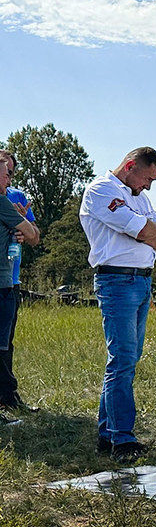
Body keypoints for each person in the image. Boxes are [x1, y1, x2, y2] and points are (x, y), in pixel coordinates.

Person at [79, 147, 156, 461]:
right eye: (147, 177)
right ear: (131, 166)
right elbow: (147, 230)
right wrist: (146, 232)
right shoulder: (100, 191)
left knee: (127, 360)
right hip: (117, 282)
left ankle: (108, 435)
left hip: (142, 281)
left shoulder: (139, 198)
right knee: (121, 361)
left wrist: (144, 233)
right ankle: (123, 440)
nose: (148, 186)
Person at [0, 156, 40, 425]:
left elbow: (33, 234)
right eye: (6, 173)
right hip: (2, 283)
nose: (10, 179)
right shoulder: (3, 200)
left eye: (12, 173)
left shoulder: (14, 197)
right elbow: (30, 231)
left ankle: (7, 396)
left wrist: (20, 230)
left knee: (5, 343)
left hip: (10, 280)